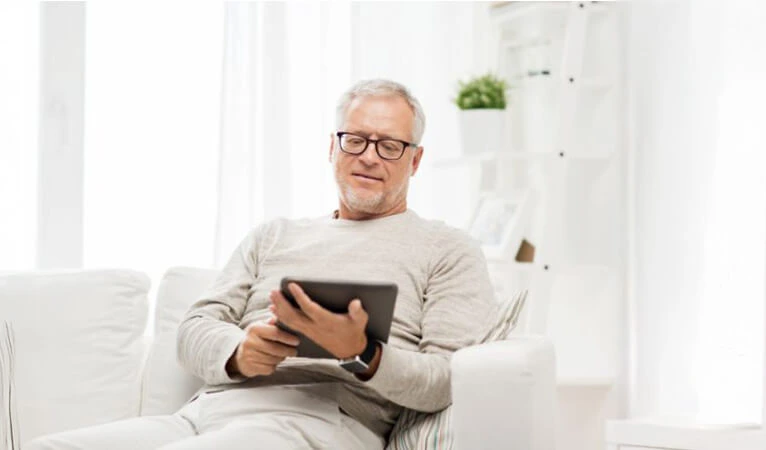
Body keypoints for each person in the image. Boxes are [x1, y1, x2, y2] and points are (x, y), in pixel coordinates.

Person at [27, 79, 497, 450]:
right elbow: (196, 325)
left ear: (415, 161)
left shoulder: (447, 249)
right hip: (205, 413)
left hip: (319, 423)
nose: (369, 157)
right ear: (332, 148)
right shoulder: (274, 235)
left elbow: (445, 380)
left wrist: (362, 352)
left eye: (389, 145)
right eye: (355, 140)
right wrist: (240, 351)